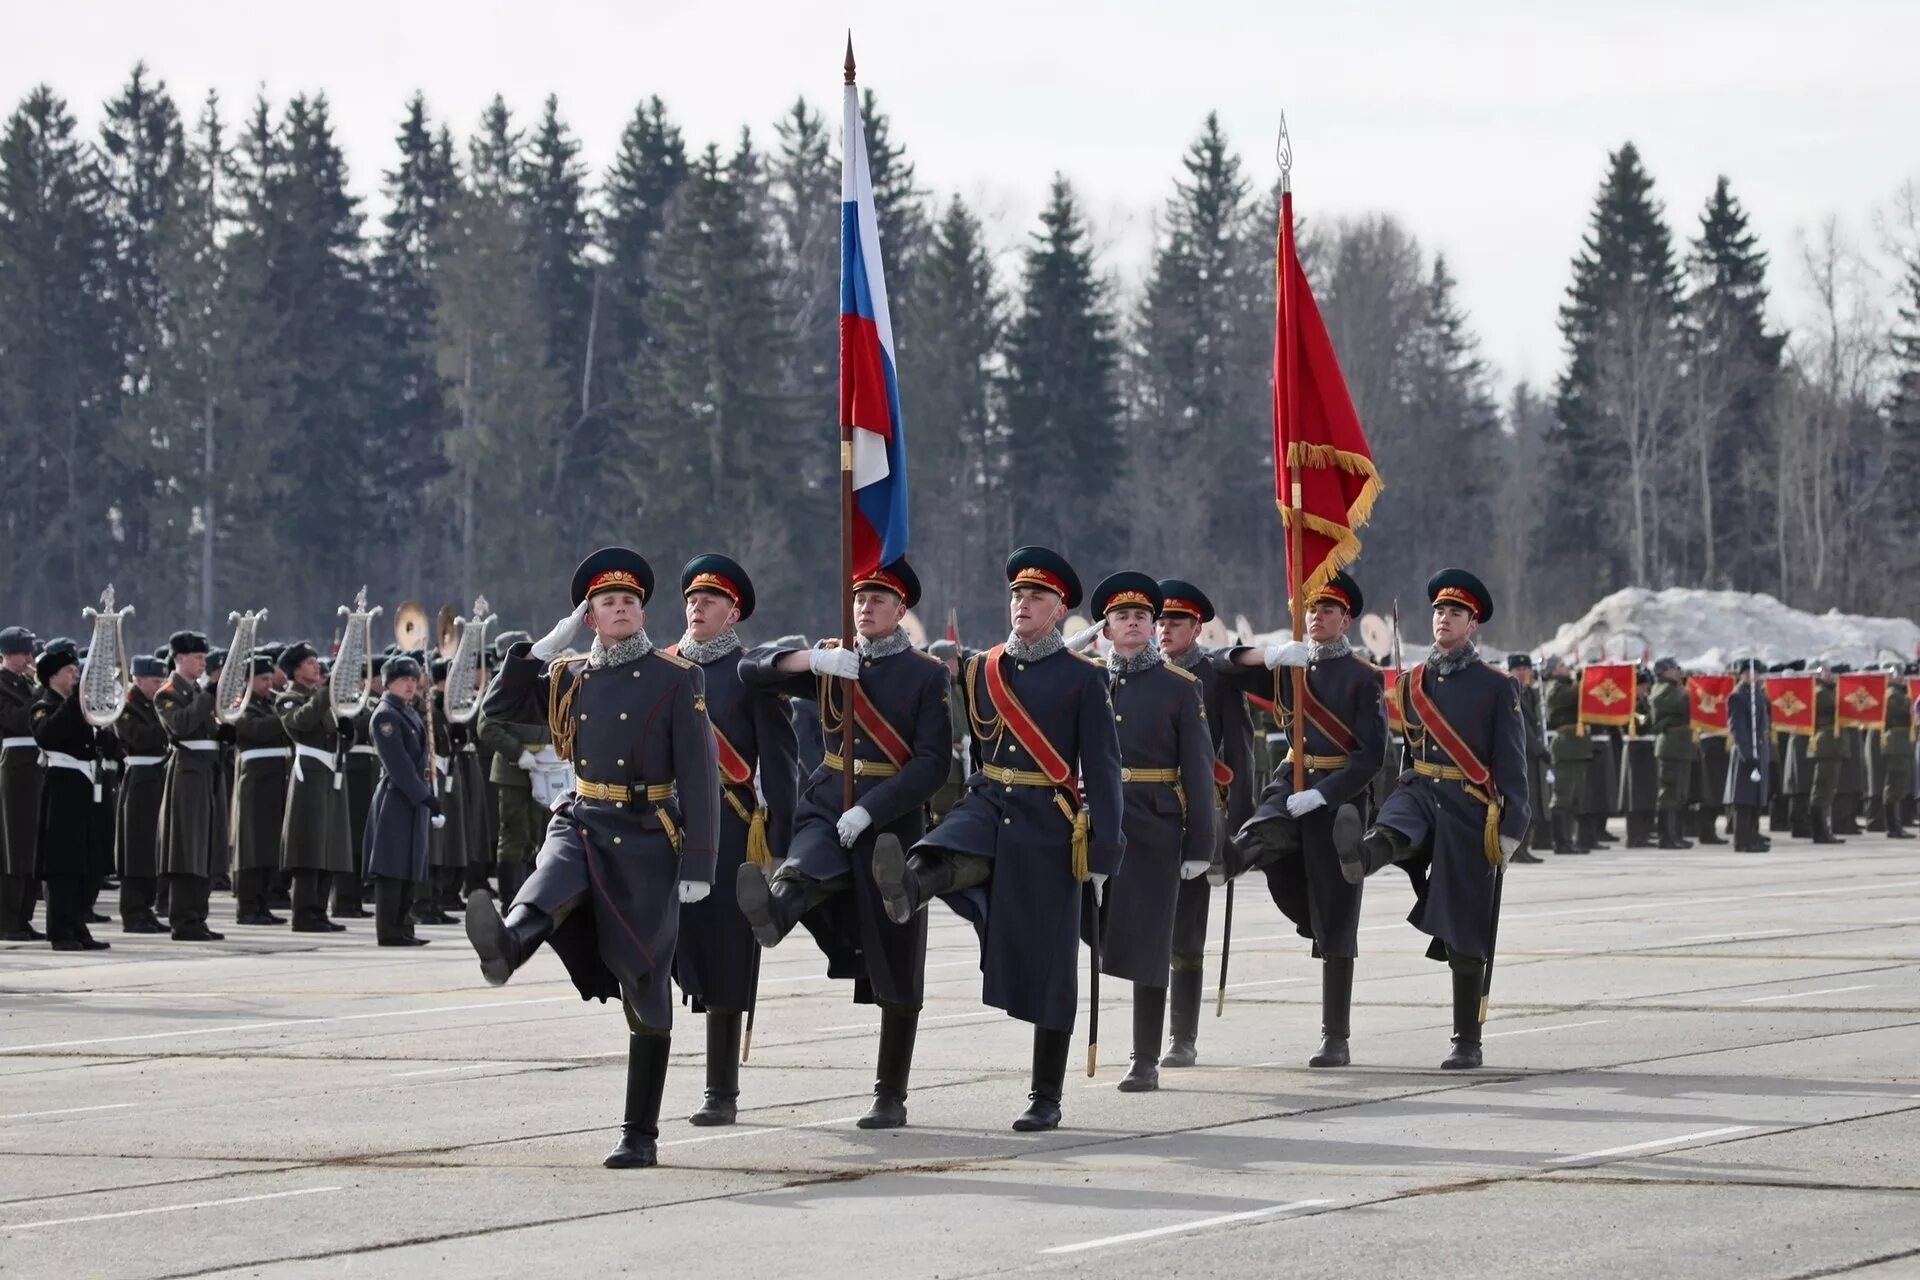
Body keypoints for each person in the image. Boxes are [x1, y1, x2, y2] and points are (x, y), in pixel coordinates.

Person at [464, 547, 719, 1169]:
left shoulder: (675, 675)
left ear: (641, 611)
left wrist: (700, 866)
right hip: (582, 816)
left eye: (629, 600)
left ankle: (640, 1133)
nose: (621, 607)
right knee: (546, 882)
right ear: (591, 618)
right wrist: (540, 650)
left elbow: (701, 774)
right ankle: (506, 947)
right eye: (607, 603)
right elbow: (494, 712)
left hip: (647, 833)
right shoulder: (568, 672)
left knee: (644, 980)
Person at [872, 547, 1124, 1132]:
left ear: (1059, 610)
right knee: (943, 846)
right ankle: (907, 887)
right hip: (991, 799)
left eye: (1036, 598)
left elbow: (1104, 771)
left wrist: (1106, 851)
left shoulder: (1084, 680)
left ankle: (1046, 1095)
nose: (1023, 604)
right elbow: (978, 752)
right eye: (1017, 595)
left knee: (1050, 962)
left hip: (1049, 820)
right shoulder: (982, 668)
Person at [733, 560, 951, 1130]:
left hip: (890, 817)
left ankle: (890, 1093)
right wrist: (811, 660)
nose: (865, 608)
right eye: (859, 599)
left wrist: (872, 809)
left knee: (894, 953)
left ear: (901, 611)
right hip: (828, 798)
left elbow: (932, 765)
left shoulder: (926, 675)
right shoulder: (834, 660)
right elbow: (750, 669)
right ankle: (773, 915)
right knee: (802, 871)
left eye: (878, 600)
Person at [1344, 570, 1529, 1071]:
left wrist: (1512, 829)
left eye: (1454, 614)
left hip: (1470, 809)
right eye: (1439, 612)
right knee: (1396, 821)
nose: (1443, 619)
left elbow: (1512, 764)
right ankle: (1363, 853)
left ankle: (1466, 1040)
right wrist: (1403, 787)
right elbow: (1410, 752)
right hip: (1423, 789)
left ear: (1472, 626)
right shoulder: (1414, 682)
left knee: (1465, 928)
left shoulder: (1497, 687)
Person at [1213, 570, 1387, 1067]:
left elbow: (1371, 756)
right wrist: (1267, 655)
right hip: (1291, 780)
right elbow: (1219, 663)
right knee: (1263, 832)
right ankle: (1228, 860)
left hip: (1340, 798)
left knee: (1335, 914)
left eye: (1327, 610)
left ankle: (1336, 1035)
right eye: (1311, 608)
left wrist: (1326, 793)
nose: (1316, 616)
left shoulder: (1363, 676)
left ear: (1345, 618)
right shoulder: (1289, 666)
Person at [664, 554, 798, 1127]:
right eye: (692, 600)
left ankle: (721, 1089)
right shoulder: (661, 668)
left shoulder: (749, 673)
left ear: (733, 611)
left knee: (724, 955)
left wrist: (782, 850)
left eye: (711, 601)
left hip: (730, 827)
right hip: (664, 826)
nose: (698, 608)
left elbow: (782, 763)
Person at [1076, 572, 1214, 1092]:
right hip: (1091, 823)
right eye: (1120, 617)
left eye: (1141, 616)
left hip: (1154, 824)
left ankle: (1144, 1058)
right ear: (1104, 630)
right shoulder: (1086, 677)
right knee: (1093, 931)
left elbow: (1198, 768)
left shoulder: (1181, 686)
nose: (1132, 623)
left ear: (1153, 627)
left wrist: (1201, 841)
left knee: (1149, 945)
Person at [1153, 578, 1255, 1069]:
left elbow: (1239, 750)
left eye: (1175, 621)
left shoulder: (1215, 677)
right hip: (1143, 812)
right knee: (1145, 926)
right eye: (1161, 620)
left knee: (1187, 929)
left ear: (1196, 628)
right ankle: (1146, 1035)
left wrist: (1236, 827)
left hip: (1197, 812)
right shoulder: (1138, 671)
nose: (1164, 628)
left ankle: (1181, 1036)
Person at [29, 646, 116, 950]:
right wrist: (79, 701)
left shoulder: (79, 707)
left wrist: (103, 724)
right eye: (70, 671)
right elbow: (48, 735)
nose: (75, 675)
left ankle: (78, 926)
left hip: (87, 788)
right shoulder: (44, 705)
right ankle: (60, 930)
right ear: (53, 676)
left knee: (86, 861)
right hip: (63, 788)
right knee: (63, 863)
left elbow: (108, 745)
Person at [156, 631, 226, 942]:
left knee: (206, 846)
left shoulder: (197, 692)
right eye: (197, 658)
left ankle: (198, 916)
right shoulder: (167, 693)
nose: (202, 663)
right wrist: (209, 696)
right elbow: (181, 725)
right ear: (180, 658)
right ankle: (183, 920)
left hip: (207, 771)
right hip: (187, 773)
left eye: (202, 658)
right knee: (187, 847)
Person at [276, 642, 351, 933]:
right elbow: (301, 722)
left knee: (327, 844)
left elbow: (331, 732)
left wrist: (347, 731)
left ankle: (319, 910)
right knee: (309, 845)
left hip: (329, 772)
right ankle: (304, 913)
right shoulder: (288, 697)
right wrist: (325, 694)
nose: (316, 666)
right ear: (295, 669)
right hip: (308, 774)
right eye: (309, 662)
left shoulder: (318, 697)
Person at [365, 654, 433, 946]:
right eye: (403, 680)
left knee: (409, 864)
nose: (409, 685)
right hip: (397, 797)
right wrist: (424, 796)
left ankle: (404, 925)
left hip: (413, 798)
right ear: (388, 683)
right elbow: (399, 766)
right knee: (392, 865)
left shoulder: (410, 712)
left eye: (413, 680)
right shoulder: (385, 715)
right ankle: (389, 929)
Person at [476, 633, 545, 908]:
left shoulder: (542, 681)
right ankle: (509, 898)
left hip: (543, 770)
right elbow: (487, 726)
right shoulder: (504, 683)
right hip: (514, 771)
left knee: (537, 834)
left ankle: (529, 896)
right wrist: (518, 752)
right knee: (514, 835)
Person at [114, 654, 171, 932]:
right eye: (155, 681)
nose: (160, 686)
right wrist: (168, 725)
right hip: (140, 778)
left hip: (157, 775)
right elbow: (138, 737)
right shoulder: (127, 705)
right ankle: (133, 910)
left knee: (152, 847)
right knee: (136, 847)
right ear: (138, 679)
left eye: (162, 680)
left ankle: (146, 908)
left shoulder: (153, 705)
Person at [232, 655, 290, 924]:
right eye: (263, 679)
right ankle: (247, 906)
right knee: (252, 846)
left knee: (268, 846)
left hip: (275, 778)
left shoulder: (270, 703)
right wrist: (288, 717)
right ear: (248, 681)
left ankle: (263, 903)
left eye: (270, 679)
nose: (269, 684)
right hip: (255, 780)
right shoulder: (240, 704)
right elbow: (257, 729)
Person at [1, 626, 44, 940]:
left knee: (32, 846)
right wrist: (42, 694)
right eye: (24, 652)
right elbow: (16, 719)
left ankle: (24, 915)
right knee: (13, 845)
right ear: (7, 654)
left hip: (35, 769)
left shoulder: (29, 684)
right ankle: (8, 918)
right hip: (13, 770)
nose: (30, 658)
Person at [1542, 656, 1590, 855]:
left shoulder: (1567, 684)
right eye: (1562, 666)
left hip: (1577, 747)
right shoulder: (1555, 687)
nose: (1566, 668)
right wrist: (1585, 678)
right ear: (1553, 671)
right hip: (1565, 746)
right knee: (1562, 798)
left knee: (1573, 799)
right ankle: (1560, 842)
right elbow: (1573, 695)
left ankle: (1569, 840)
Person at [1724, 658, 1773, 853]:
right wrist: (1747, 752)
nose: (1755, 676)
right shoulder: (1738, 696)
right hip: (1746, 752)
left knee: (1755, 798)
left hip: (1759, 748)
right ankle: (1742, 839)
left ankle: (1753, 835)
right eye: (1751, 673)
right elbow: (1738, 728)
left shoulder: (1756, 694)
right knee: (1744, 800)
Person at [1648, 658, 1696, 851]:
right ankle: (1666, 837)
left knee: (1679, 794)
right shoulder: (1661, 689)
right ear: (1665, 672)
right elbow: (1678, 704)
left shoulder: (1674, 687)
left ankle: (1676, 834)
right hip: (1671, 746)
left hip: (1681, 747)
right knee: (1669, 794)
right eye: (1674, 669)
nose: (1678, 671)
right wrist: (1688, 692)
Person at [1507, 655, 1548, 862]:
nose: (1522, 672)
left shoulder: (1530, 693)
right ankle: (1517, 849)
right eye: (1518, 669)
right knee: (1522, 801)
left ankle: (1524, 847)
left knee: (1533, 802)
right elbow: (1522, 727)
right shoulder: (1509, 692)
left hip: (1530, 756)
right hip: (1518, 753)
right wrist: (1539, 748)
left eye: (1525, 668)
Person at [1882, 665, 1914, 840]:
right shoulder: (1892, 693)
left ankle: (1897, 824)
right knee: (1894, 785)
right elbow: (1902, 709)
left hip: (1903, 743)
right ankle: (1893, 826)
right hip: (1895, 742)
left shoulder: (1901, 692)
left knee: (1900, 784)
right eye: (1898, 675)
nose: (1902, 677)